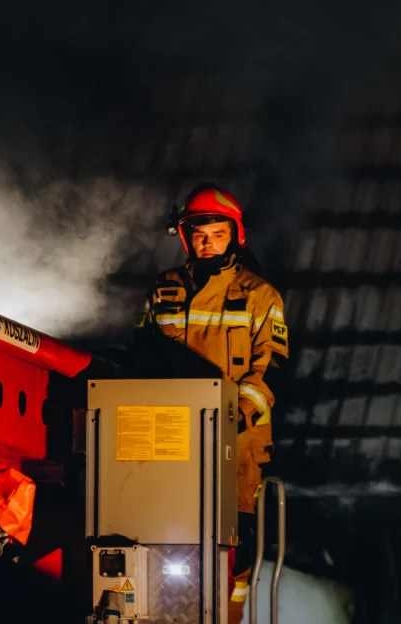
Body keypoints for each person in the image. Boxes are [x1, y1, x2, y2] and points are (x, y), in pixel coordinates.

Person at [134, 183, 289, 624]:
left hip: (236, 445)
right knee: (162, 541)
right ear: (186, 238)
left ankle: (228, 618)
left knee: (232, 550)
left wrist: (236, 414)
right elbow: (140, 355)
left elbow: (273, 368)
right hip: (168, 439)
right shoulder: (163, 290)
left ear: (234, 235)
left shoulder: (260, 295)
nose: (208, 243)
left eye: (217, 234)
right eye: (199, 235)